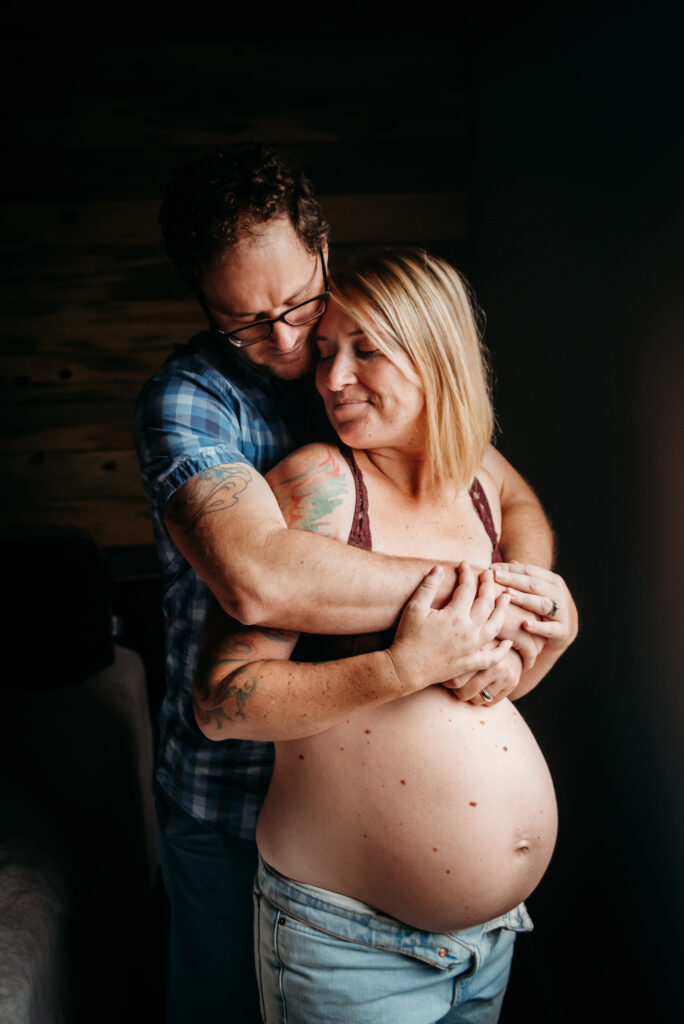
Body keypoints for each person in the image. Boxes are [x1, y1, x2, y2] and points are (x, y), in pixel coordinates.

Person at [135, 145, 555, 1024]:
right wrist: (477, 607)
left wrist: (541, 602)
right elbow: (254, 581)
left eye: (298, 308)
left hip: (459, 915)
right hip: (233, 803)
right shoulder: (196, 401)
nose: (293, 351)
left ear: (323, 246)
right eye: (245, 323)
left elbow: (516, 500)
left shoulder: (404, 410)